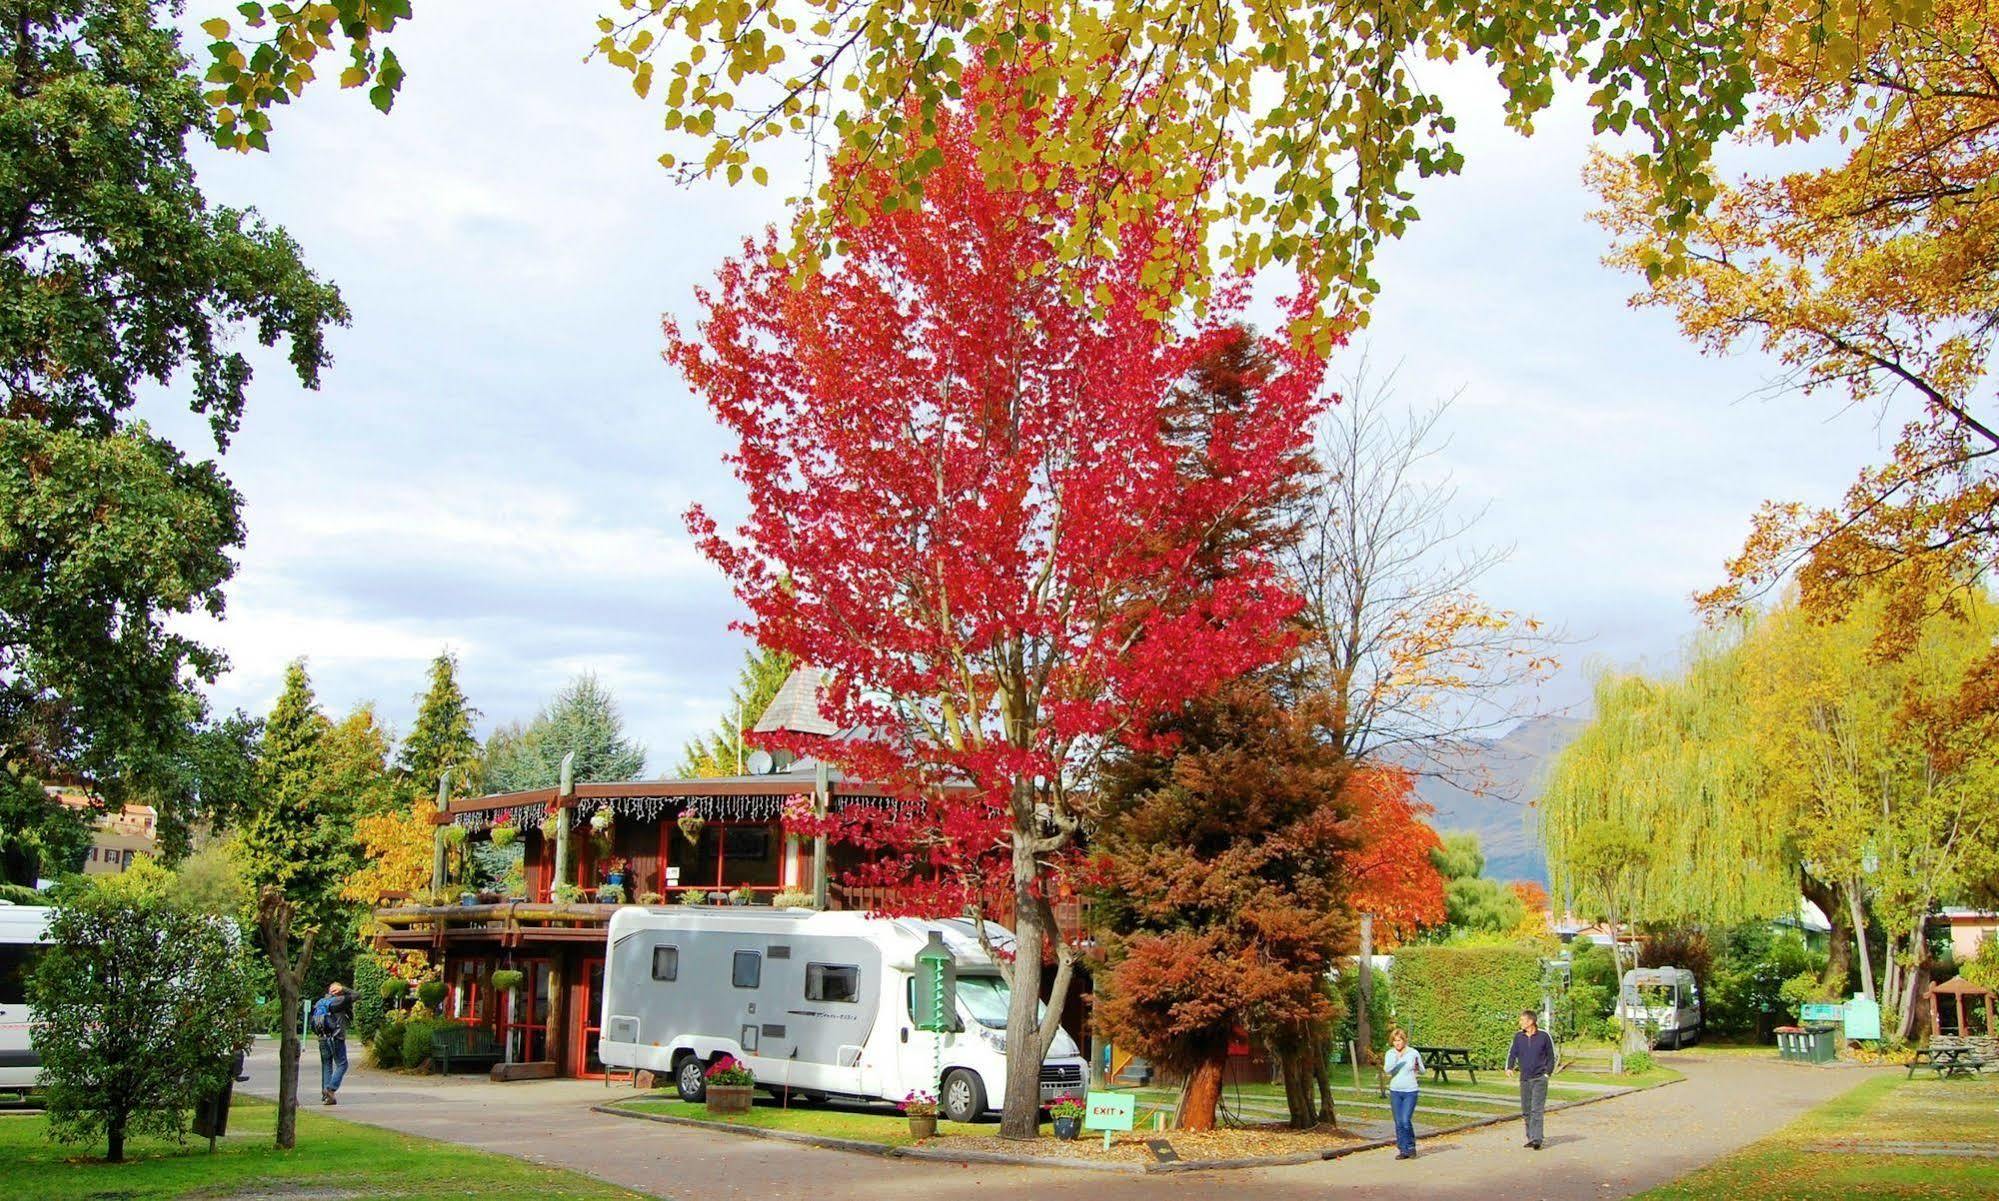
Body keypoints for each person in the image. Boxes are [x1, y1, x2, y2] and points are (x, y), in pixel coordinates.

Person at [1505, 1006, 1557, 1149]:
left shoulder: (1544, 1036)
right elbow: (1512, 1053)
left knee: (1537, 1109)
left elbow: (1551, 1056)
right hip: (1525, 1079)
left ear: (1531, 1021)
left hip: (1540, 1078)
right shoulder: (1518, 1037)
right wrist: (1509, 1067)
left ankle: (1537, 1139)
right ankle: (1530, 1136)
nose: (1520, 1022)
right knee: (1526, 1110)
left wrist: (1548, 1073)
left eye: (1522, 1020)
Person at [1381, 1028, 1425, 1160]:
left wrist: (1418, 1066)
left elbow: (1423, 1070)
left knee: (1405, 1120)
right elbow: (1387, 1069)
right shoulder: (1390, 1053)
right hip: (1395, 1090)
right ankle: (1403, 1149)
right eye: (1394, 1041)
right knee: (1399, 1122)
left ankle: (1411, 1147)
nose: (1397, 1043)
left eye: (1399, 1040)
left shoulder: (1413, 1053)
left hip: (1410, 1091)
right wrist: (1396, 1058)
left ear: (1404, 1040)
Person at [311, 982, 355, 1105]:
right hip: (336, 1037)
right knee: (342, 1064)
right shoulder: (339, 1001)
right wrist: (344, 989)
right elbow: (357, 995)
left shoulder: (321, 1002)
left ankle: (326, 1095)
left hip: (322, 1038)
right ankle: (331, 1089)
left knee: (326, 1065)